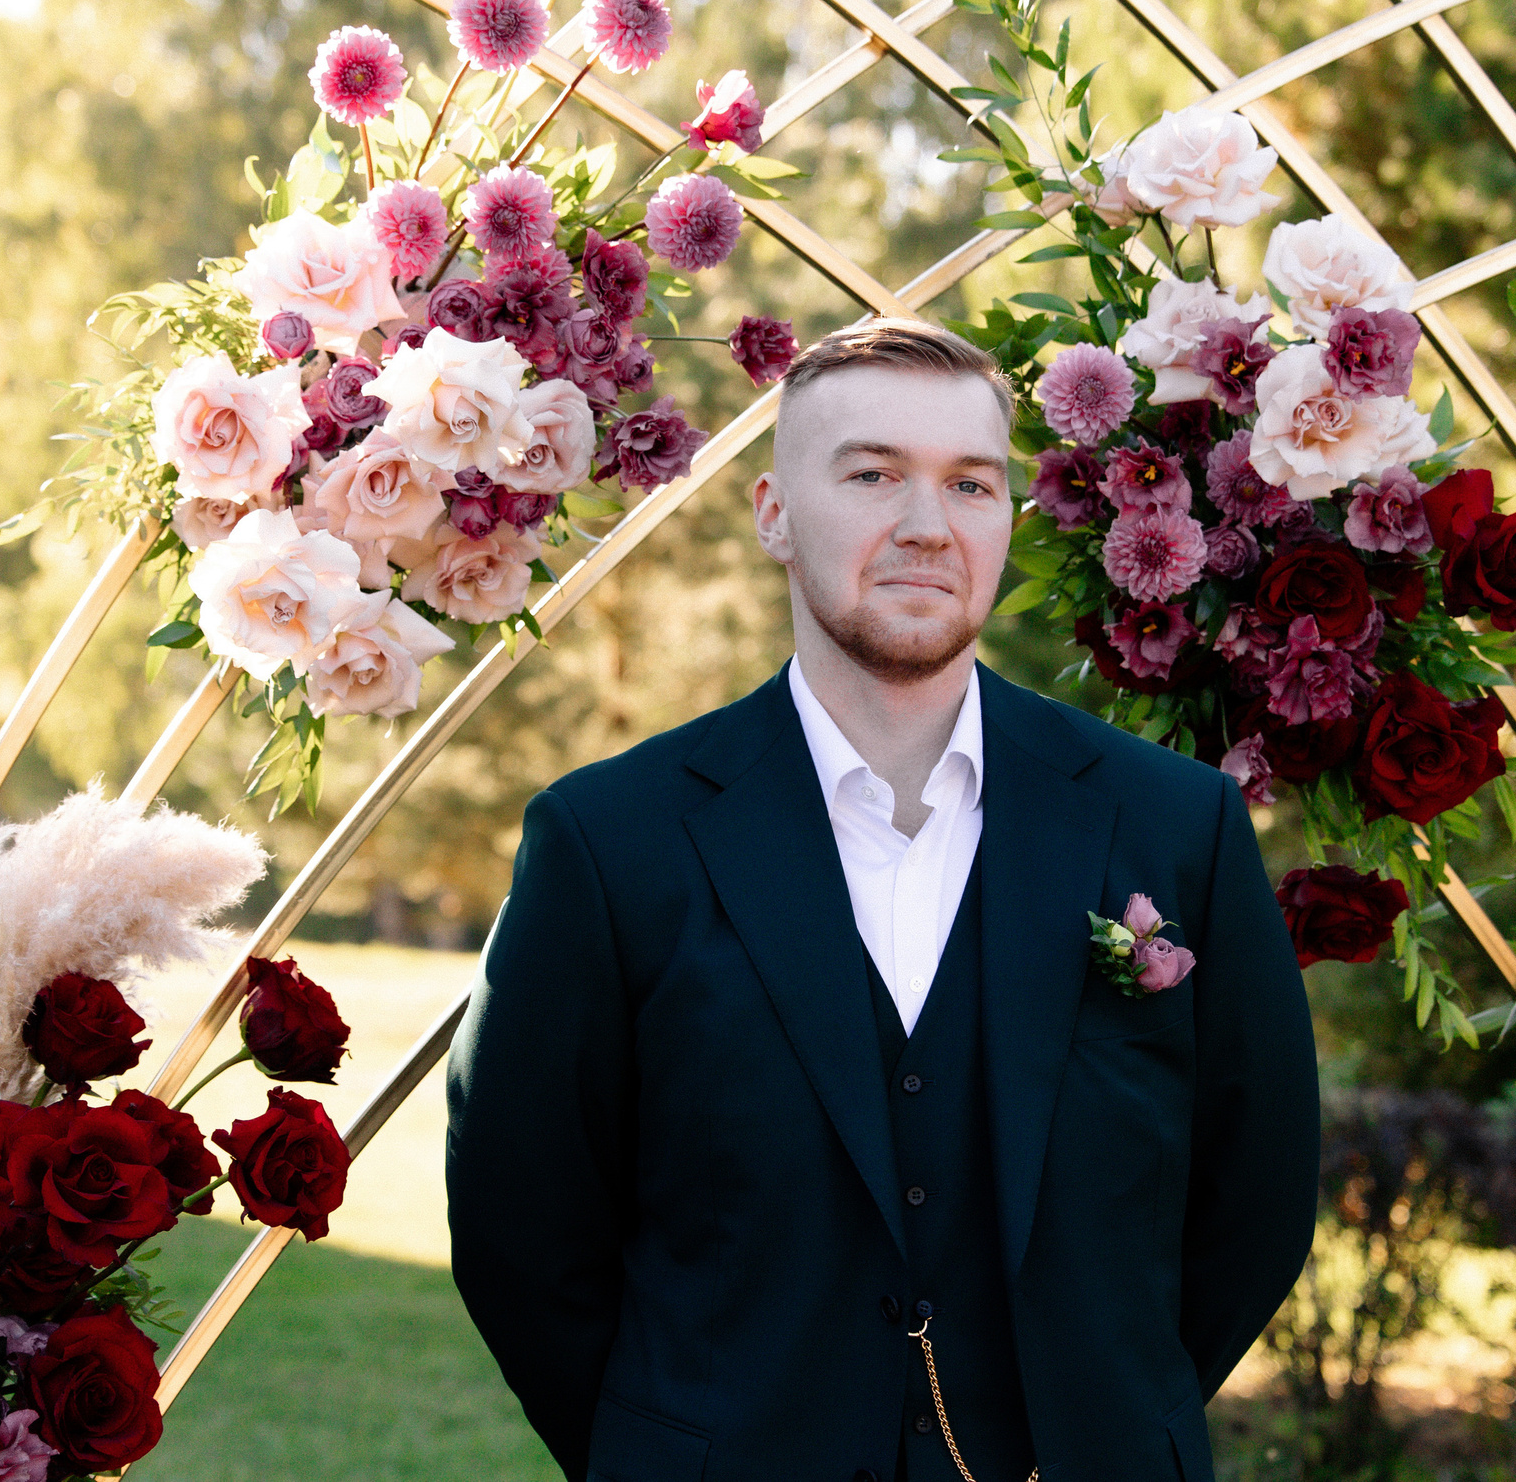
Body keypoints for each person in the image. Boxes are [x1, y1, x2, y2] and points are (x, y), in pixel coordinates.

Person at [445, 317, 1319, 1482]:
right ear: (771, 511)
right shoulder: (608, 842)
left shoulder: (1175, 829)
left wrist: (1109, 1409)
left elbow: (1254, 1199)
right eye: (870, 475)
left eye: (970, 483)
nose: (926, 525)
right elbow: (522, 1226)